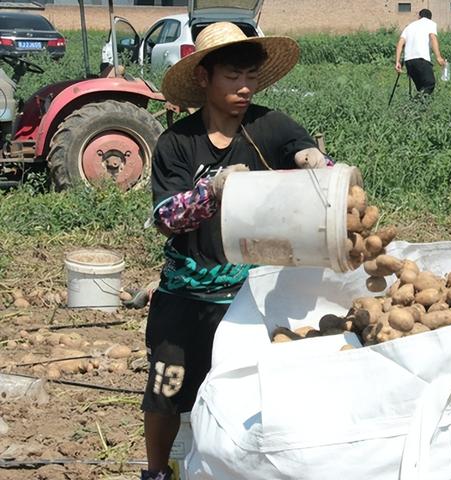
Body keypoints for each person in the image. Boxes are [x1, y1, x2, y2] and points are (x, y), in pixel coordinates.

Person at [140, 21, 333, 480]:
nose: (244, 87)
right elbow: (166, 217)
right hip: (187, 293)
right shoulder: (178, 143)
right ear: (204, 78)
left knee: (254, 393)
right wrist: (213, 191)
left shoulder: (272, 126)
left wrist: (319, 164)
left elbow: (312, 163)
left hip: (254, 294)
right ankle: (156, 472)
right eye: (232, 76)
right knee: (167, 388)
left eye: (250, 76)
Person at [395, 8, 446, 95]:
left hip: (409, 62)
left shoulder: (409, 26)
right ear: (430, 18)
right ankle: (415, 104)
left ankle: (419, 107)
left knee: (421, 88)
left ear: (419, 16)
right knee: (430, 84)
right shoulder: (430, 23)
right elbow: (433, 38)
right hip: (421, 59)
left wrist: (397, 62)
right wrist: (438, 57)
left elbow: (400, 43)